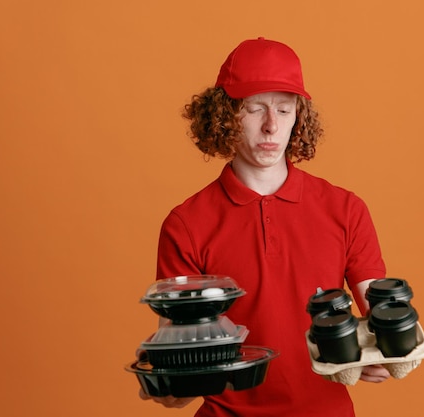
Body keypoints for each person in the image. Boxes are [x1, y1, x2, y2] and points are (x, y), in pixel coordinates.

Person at [139, 37, 390, 416]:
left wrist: (381, 350)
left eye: (285, 110)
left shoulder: (346, 209)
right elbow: (182, 349)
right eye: (254, 109)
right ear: (225, 115)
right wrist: (172, 385)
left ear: (298, 117)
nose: (272, 126)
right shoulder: (186, 224)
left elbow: (381, 318)